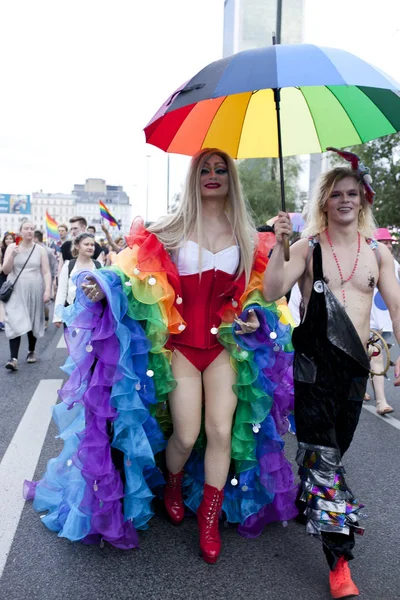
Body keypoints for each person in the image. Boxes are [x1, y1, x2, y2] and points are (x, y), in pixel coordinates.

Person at [25, 148, 298, 562]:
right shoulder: (170, 229)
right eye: (204, 169)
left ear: (230, 179)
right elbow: (128, 268)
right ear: (193, 178)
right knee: (186, 436)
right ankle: (172, 482)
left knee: (221, 432)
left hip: (225, 350)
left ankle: (208, 521)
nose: (212, 175)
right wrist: (102, 283)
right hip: (183, 349)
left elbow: (265, 292)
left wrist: (267, 285)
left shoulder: (247, 233)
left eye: (220, 169)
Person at [263, 149, 400, 599]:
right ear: (324, 201)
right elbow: (273, 290)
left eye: (352, 193)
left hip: (354, 373)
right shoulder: (309, 247)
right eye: (337, 194)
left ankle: (312, 498)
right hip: (312, 370)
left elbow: (396, 307)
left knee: (334, 452)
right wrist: (280, 243)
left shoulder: (378, 255)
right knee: (324, 461)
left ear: (362, 199)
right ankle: (339, 561)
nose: (345, 200)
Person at [2, 221, 51, 370]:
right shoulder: (12, 247)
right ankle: (13, 358)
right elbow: (5, 270)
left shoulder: (40, 249)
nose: (29, 231)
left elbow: (46, 272)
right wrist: (12, 256)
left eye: (32, 229)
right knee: (15, 319)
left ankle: (31, 351)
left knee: (32, 319)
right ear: (20, 231)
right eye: (26, 229)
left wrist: (48, 290)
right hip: (16, 289)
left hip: (35, 288)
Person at [366, 227, 400, 414]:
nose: (387, 245)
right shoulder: (368, 259)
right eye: (384, 241)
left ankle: (377, 398)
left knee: (375, 356)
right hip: (367, 319)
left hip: (387, 318)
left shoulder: (393, 263)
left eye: (389, 242)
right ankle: (377, 398)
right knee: (372, 357)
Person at [53, 233, 101, 327]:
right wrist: (57, 316)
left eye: (92, 245)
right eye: (86, 244)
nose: (90, 247)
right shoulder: (69, 265)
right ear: (77, 246)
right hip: (71, 313)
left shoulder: (98, 266)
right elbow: (61, 292)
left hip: (92, 314)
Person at [34, 230, 58, 328]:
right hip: (33, 278)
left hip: (44, 279)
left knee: (45, 302)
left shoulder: (48, 250)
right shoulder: (32, 248)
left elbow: (54, 265)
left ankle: (46, 320)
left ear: (35, 238)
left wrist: (53, 280)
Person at [0, 232, 16, 331]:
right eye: (7, 239)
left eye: (10, 239)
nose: (8, 240)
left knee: (11, 299)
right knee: (2, 298)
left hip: (13, 277)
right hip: (3, 276)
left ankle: (10, 319)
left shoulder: (16, 249)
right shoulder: (1, 250)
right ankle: (2, 321)